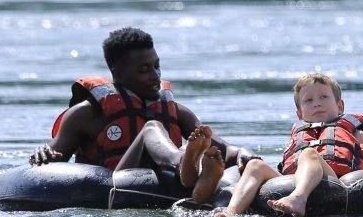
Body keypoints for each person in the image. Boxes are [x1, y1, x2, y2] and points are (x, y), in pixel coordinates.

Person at [28, 27, 257, 203]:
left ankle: (192, 170)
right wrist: (43, 153)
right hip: (113, 186)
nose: (155, 75)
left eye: (157, 66)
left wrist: (243, 153)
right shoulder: (85, 114)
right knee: (152, 128)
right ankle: (182, 162)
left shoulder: (177, 112)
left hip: (168, 190)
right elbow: (51, 165)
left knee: (214, 159)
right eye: (144, 70)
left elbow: (224, 149)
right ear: (117, 73)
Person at [212, 72, 363, 217]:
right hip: (294, 178)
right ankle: (231, 211)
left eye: (323, 97)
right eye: (309, 100)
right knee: (255, 165)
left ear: (340, 106)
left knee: (309, 153)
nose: (317, 103)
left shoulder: (357, 133)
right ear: (299, 114)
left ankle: (298, 199)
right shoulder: (298, 136)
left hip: (334, 178)